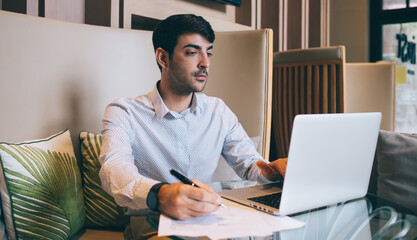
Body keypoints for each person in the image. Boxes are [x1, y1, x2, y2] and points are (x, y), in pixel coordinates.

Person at [99, 14, 287, 239]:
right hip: (153, 225)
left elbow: (249, 165)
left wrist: (273, 169)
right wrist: (159, 194)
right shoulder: (124, 112)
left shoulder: (219, 111)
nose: (204, 63)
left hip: (210, 222)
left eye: (208, 52)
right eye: (192, 52)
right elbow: (114, 170)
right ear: (163, 58)